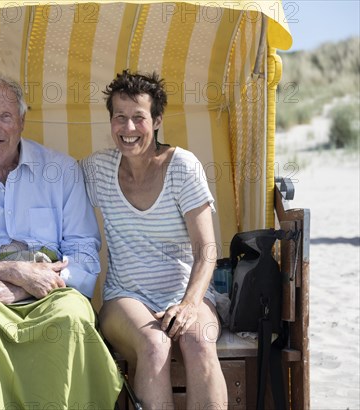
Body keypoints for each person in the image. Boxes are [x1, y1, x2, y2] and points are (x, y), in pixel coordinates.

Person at [0, 70, 122, 409]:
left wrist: (25, 286)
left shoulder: (61, 170)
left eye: (4, 116)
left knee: (73, 318)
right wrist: (12, 271)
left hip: (52, 290)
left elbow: (85, 255)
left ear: (21, 119)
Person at [81, 70, 228, 408]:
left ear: (157, 119)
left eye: (138, 118)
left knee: (199, 340)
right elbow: (47, 180)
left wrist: (190, 304)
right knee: (154, 343)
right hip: (125, 297)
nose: (128, 128)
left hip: (187, 293)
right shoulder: (97, 168)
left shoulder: (183, 167)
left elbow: (206, 250)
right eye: (120, 117)